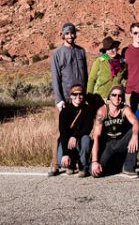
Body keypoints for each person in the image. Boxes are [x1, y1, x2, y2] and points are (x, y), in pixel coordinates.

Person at [48, 23, 88, 176]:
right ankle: (55, 164)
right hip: (65, 99)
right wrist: (59, 100)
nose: (70, 36)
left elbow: (86, 75)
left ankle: (75, 161)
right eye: (67, 34)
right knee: (59, 132)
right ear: (63, 35)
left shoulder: (81, 51)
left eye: (72, 33)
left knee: (77, 130)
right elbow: (55, 78)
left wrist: (85, 95)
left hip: (79, 98)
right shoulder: (57, 54)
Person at [91, 84, 139, 178]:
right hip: (107, 146)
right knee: (96, 173)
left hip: (120, 143)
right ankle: (113, 165)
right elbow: (96, 136)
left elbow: (136, 122)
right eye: (114, 95)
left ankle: (128, 167)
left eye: (120, 95)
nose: (117, 98)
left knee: (136, 129)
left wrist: (134, 136)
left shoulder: (125, 109)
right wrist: (94, 161)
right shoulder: (102, 111)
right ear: (110, 96)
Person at [53, 84, 94, 178]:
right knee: (61, 161)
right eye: (75, 94)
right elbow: (63, 133)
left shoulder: (87, 110)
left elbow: (88, 128)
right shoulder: (65, 111)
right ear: (71, 96)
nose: (78, 97)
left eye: (81, 94)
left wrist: (75, 136)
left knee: (86, 139)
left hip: (80, 138)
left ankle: (83, 165)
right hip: (67, 140)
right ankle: (70, 163)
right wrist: (66, 153)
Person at [88, 36, 127, 101]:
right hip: (100, 97)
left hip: (116, 98)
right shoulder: (99, 61)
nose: (111, 51)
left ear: (117, 48)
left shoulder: (122, 62)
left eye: (113, 48)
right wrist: (89, 97)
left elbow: (126, 77)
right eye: (108, 49)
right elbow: (92, 80)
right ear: (105, 51)